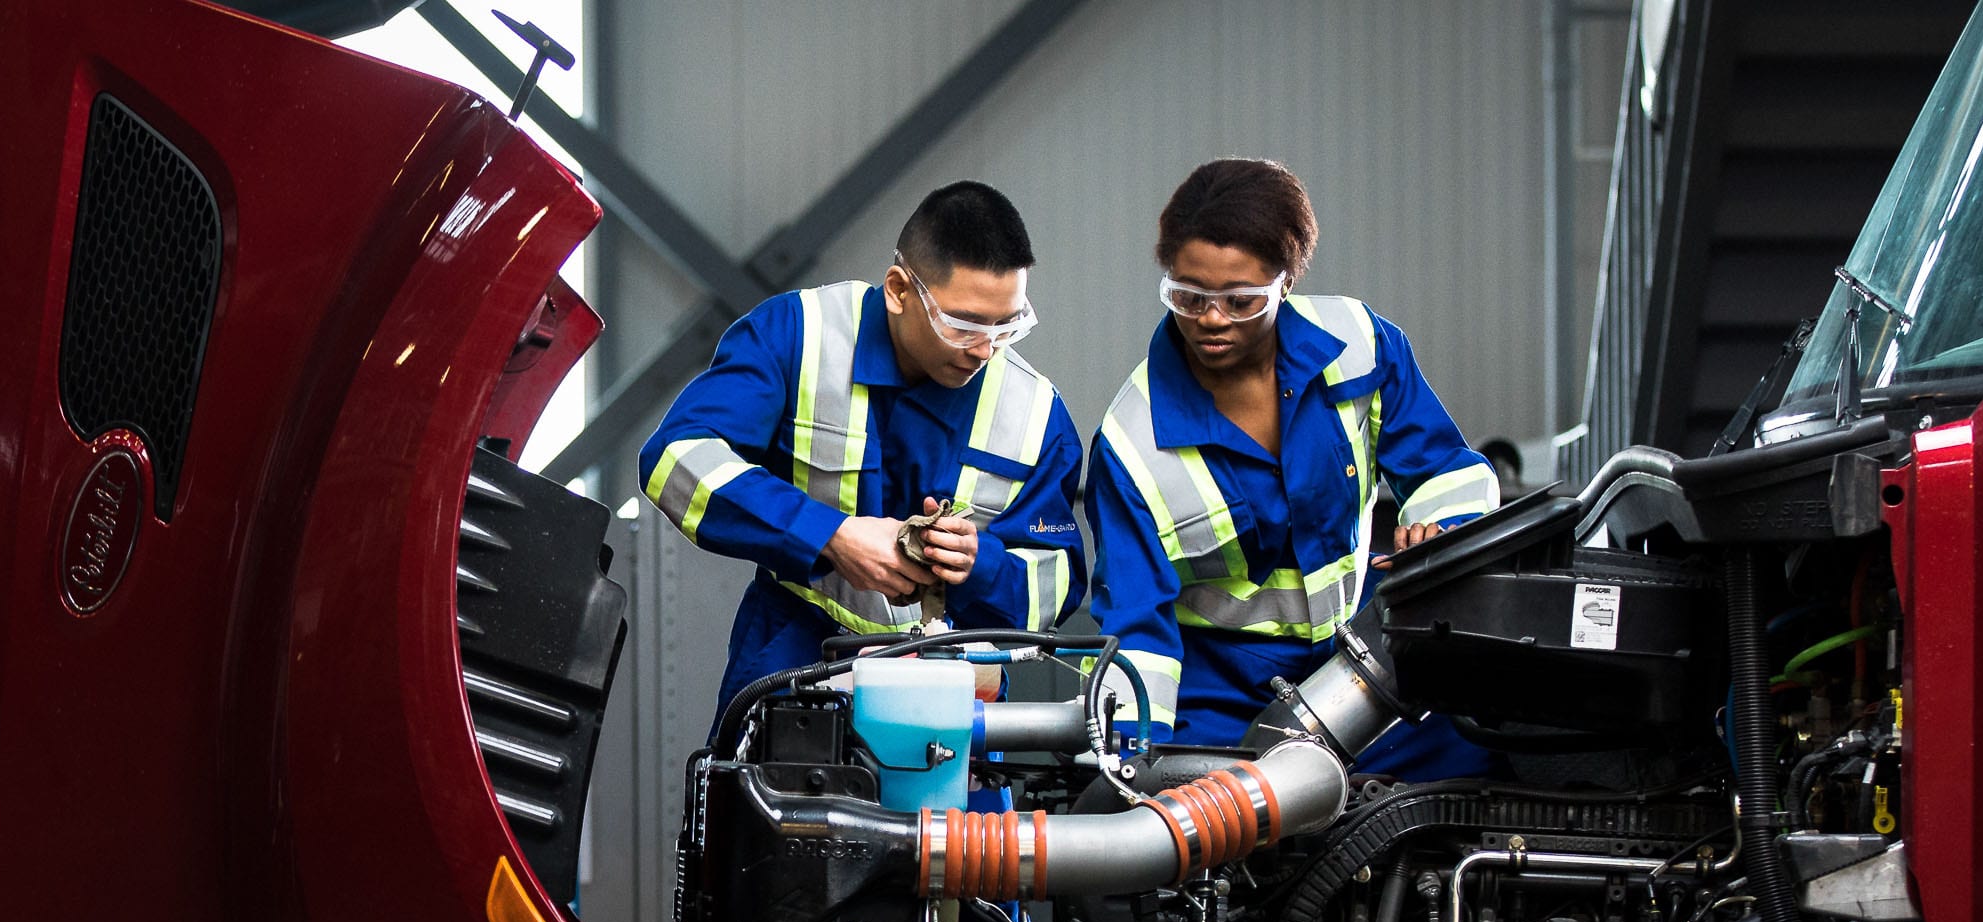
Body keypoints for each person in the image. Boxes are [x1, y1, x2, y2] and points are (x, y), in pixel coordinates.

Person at [1083, 158, 1502, 780]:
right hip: (1217, 705)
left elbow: (1444, 468)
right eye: (1189, 296)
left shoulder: (1361, 346)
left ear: (1286, 282)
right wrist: (1133, 767)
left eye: (1241, 300)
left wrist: (1445, 524)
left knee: (1476, 774)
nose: (1212, 319)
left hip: (1360, 669)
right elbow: (1138, 630)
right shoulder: (1131, 441)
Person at [641, 181, 1086, 725]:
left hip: (954, 692)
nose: (985, 349)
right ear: (899, 289)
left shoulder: (1038, 417)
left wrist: (978, 564)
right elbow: (675, 457)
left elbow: (1057, 582)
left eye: (1007, 325)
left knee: (966, 818)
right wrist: (830, 535)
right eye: (964, 324)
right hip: (795, 668)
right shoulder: (798, 337)